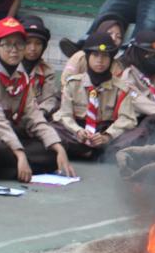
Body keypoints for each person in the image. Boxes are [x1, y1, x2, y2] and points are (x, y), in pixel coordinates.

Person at [0, 18, 74, 181]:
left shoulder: (22, 79)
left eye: (19, 44)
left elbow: (35, 116)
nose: (14, 50)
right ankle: (10, 166)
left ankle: (3, 168)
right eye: (7, 44)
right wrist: (20, 153)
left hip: (6, 134)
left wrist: (58, 148)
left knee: (55, 147)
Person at [53, 31, 138, 161]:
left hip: (106, 129)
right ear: (87, 57)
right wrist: (77, 131)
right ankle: (93, 152)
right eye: (95, 55)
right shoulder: (73, 84)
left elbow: (127, 119)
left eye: (105, 56)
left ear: (111, 59)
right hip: (78, 130)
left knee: (136, 134)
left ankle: (85, 151)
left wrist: (107, 136)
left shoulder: (122, 88)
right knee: (52, 129)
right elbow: (65, 115)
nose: (100, 60)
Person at [0, 16, 59, 117]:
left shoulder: (46, 70)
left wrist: (39, 114)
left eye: (38, 44)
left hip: (31, 116)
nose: (33, 48)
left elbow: (49, 99)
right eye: (28, 42)